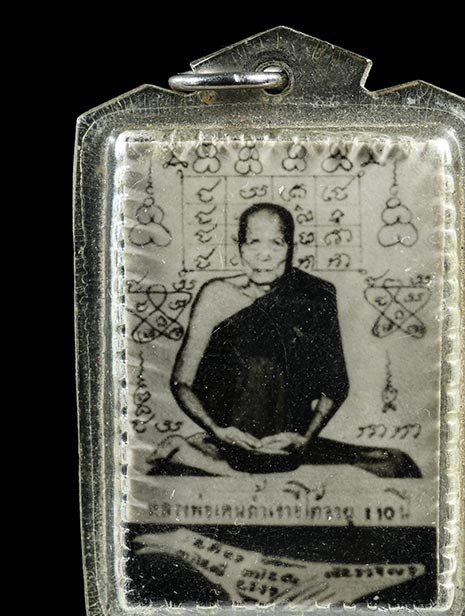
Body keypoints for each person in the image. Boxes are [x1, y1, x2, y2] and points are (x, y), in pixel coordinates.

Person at [148, 202, 420, 477]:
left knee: (396, 465)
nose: (264, 255)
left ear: (291, 248)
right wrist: (217, 430)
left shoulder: (315, 295)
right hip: (230, 438)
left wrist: (304, 437)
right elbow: (181, 382)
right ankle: (211, 458)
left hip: (287, 441)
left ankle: (198, 457)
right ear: (239, 247)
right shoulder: (216, 295)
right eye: (253, 243)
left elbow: (335, 386)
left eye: (276, 244)